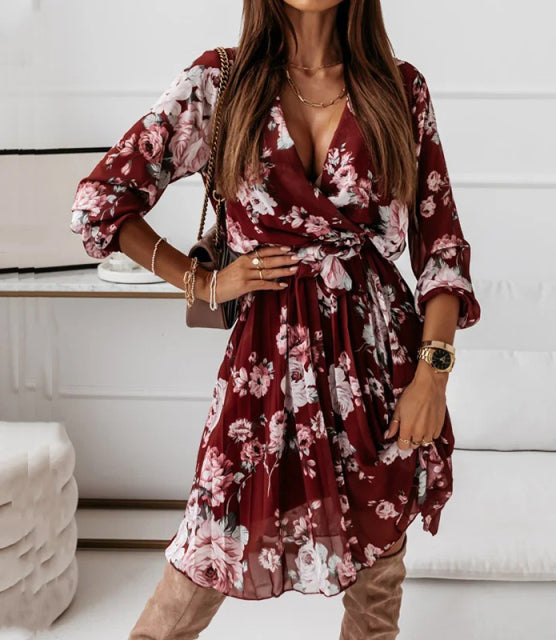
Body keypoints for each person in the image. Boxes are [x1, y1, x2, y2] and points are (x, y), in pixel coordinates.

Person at [70, 1, 481, 638]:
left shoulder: (400, 89)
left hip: (379, 364)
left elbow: (442, 248)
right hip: (264, 365)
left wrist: (434, 375)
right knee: (205, 550)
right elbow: (102, 200)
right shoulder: (220, 84)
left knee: (377, 579)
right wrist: (202, 281)